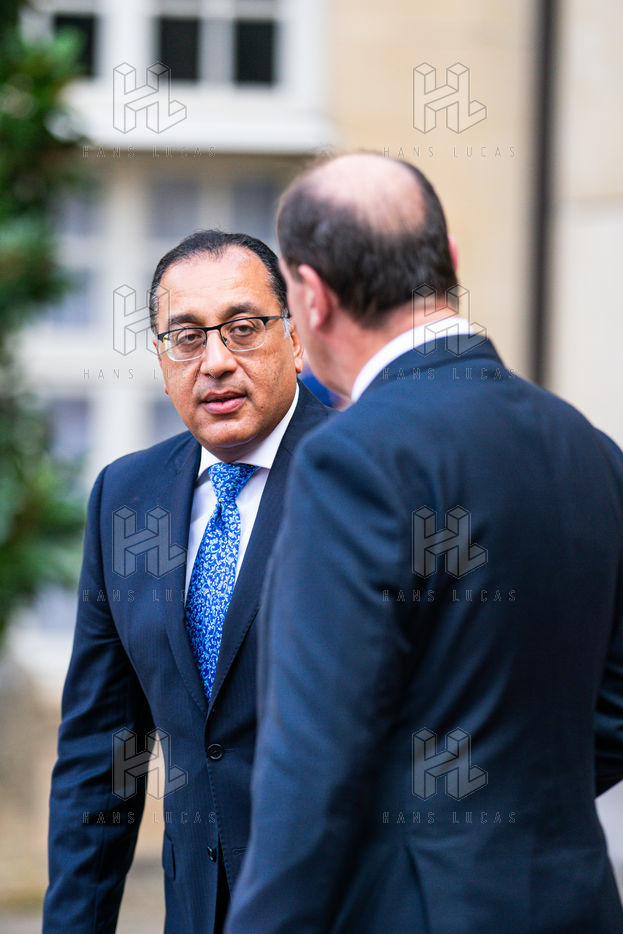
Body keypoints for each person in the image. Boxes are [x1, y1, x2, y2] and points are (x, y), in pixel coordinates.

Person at [225, 154, 623, 933]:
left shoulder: (350, 459)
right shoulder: (589, 449)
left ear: (311, 296)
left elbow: (313, 760)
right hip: (575, 904)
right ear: (449, 260)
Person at [43, 230, 330, 933]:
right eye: (187, 338)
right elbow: (101, 751)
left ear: (295, 339)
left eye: (243, 328)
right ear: (162, 359)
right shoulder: (126, 498)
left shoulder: (366, 475)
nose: (217, 361)